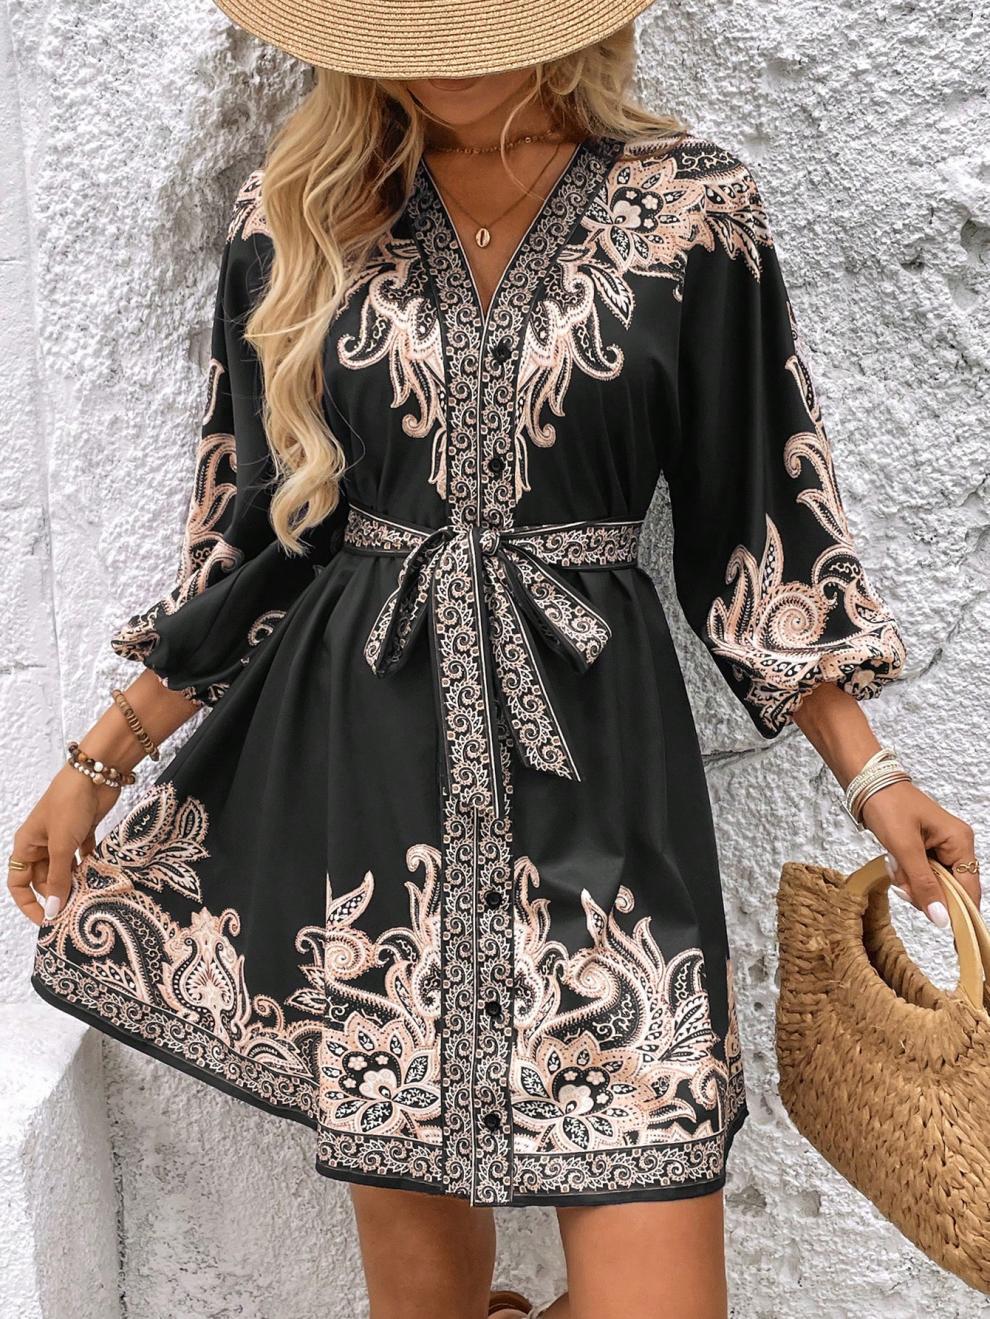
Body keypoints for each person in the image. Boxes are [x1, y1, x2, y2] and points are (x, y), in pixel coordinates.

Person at [8, 4, 980, 1317]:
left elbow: (758, 517)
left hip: (607, 780)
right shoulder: (299, 215)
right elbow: (254, 543)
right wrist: (100, 760)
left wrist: (872, 774)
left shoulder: (691, 211)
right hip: (372, 789)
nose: (442, 57)